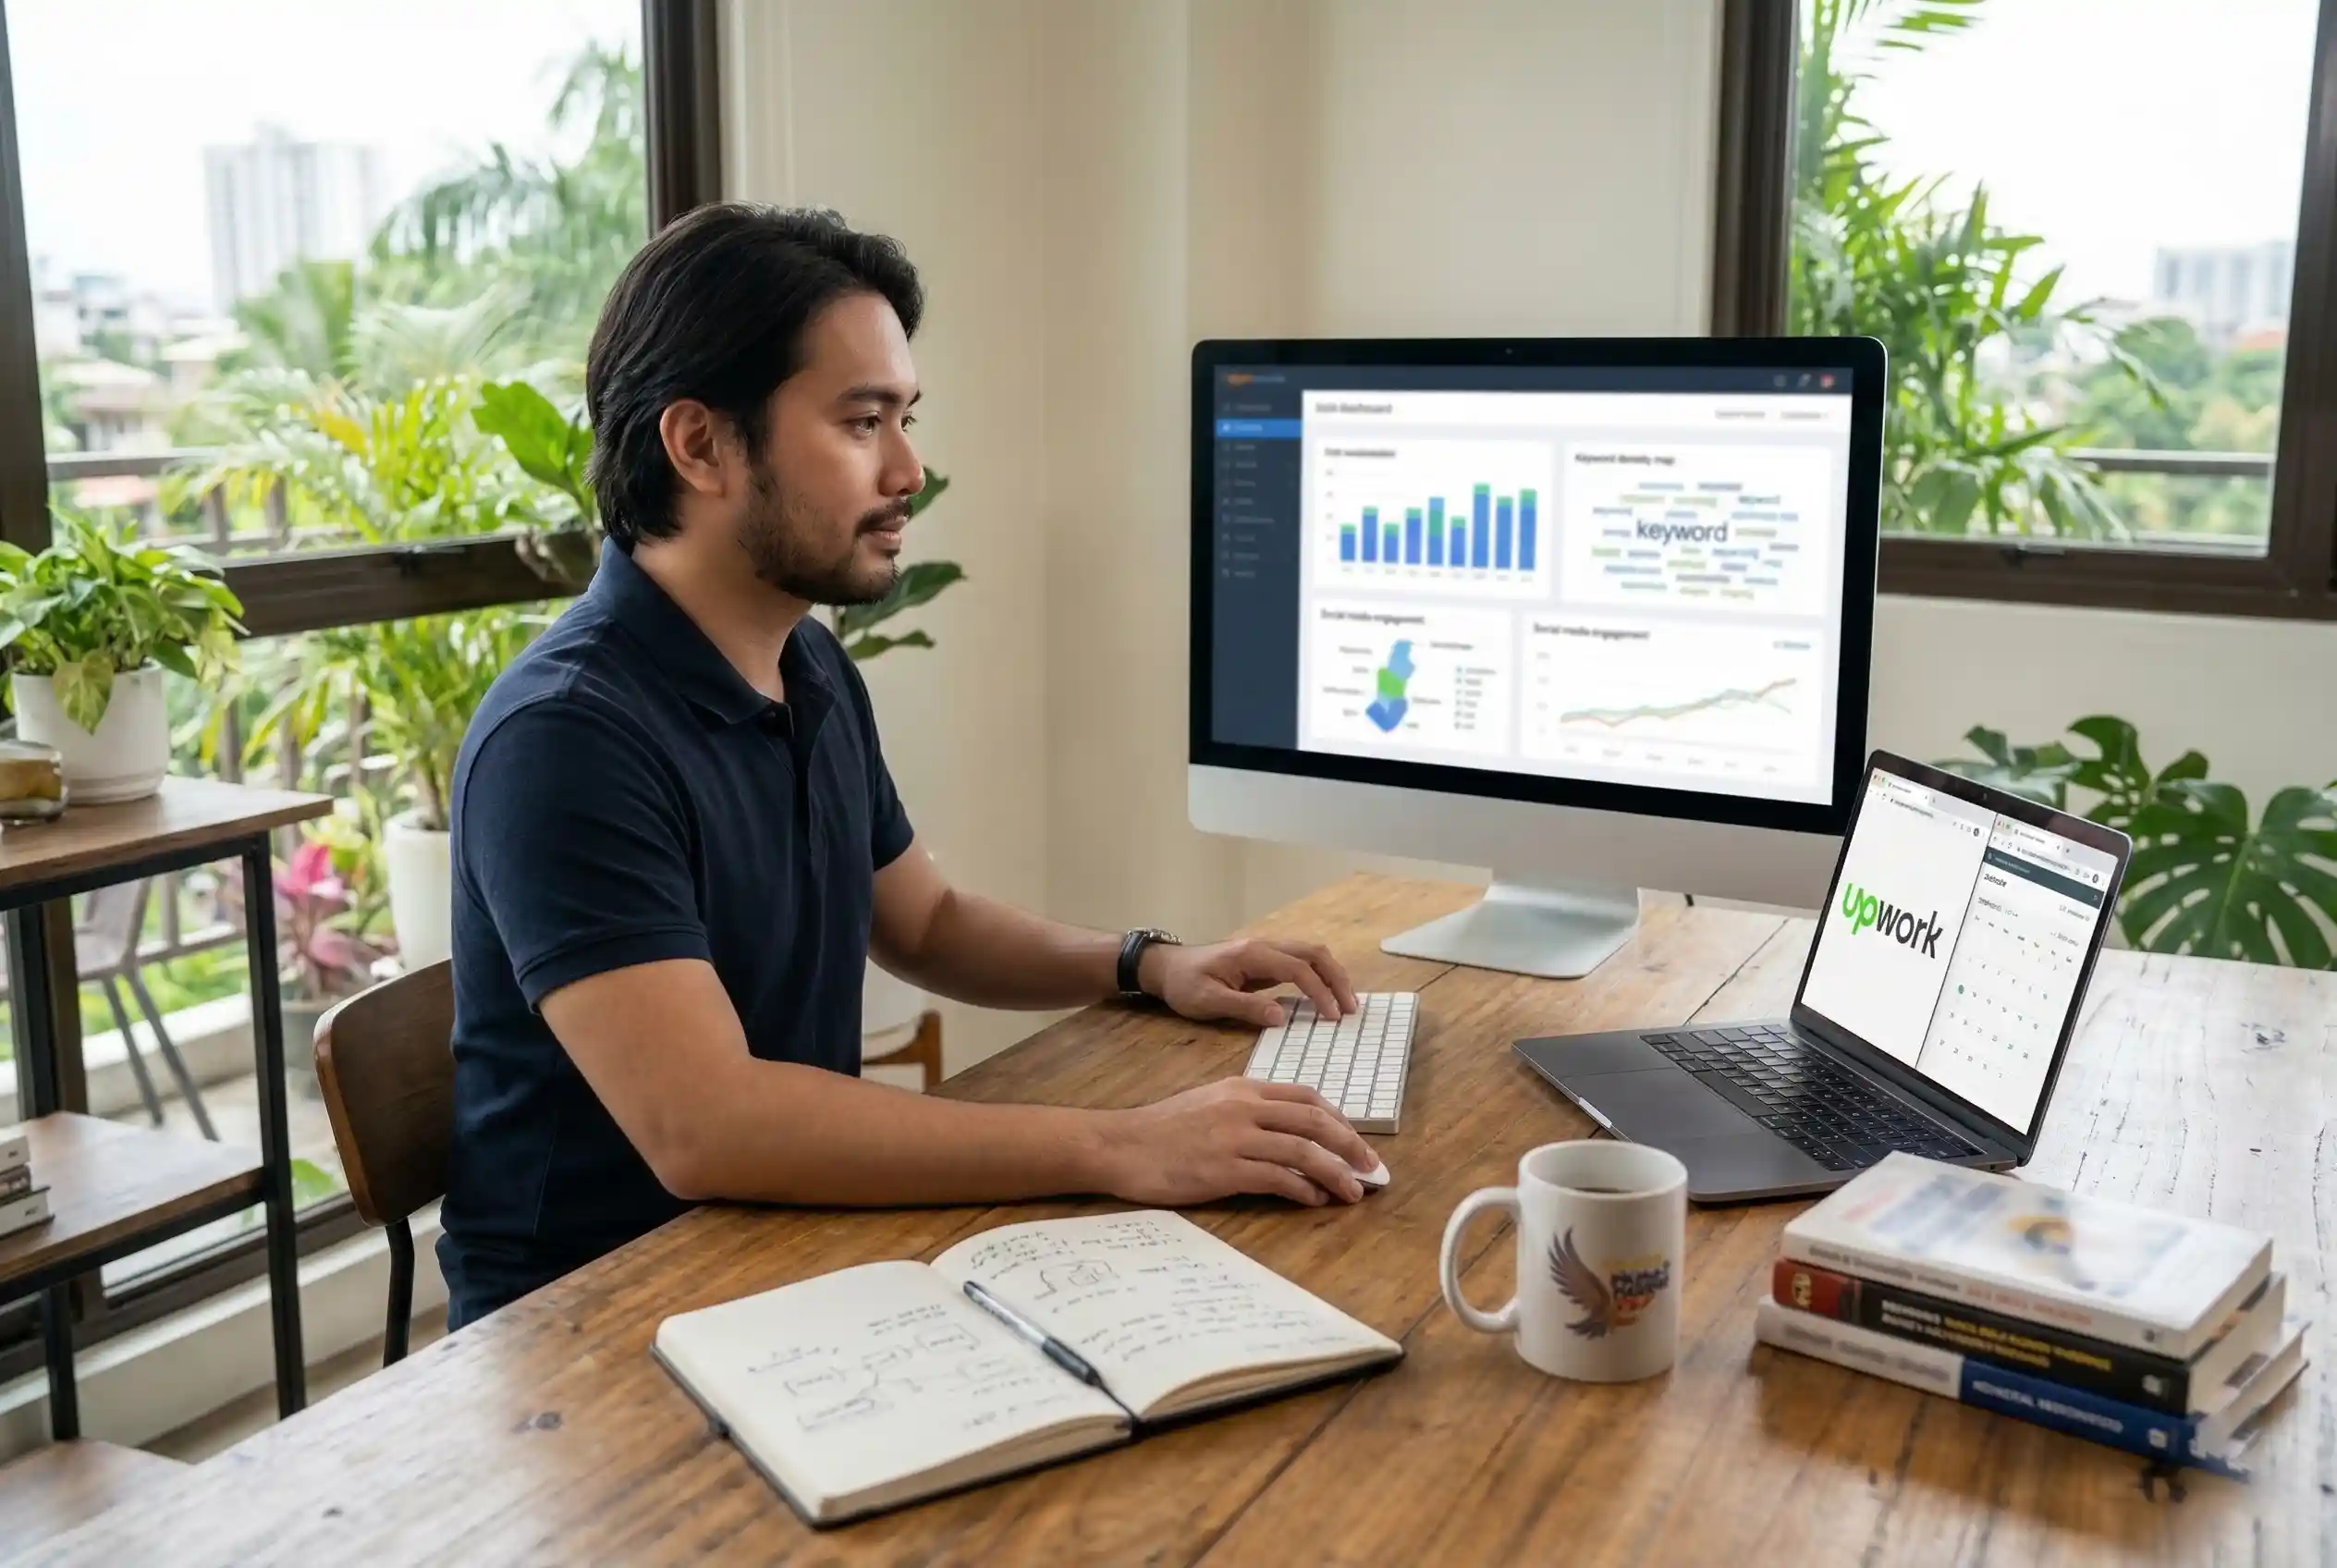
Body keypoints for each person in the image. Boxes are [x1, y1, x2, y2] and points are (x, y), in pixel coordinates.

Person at [438, 202, 1377, 1329]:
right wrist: (1121, 1144)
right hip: (594, 1328)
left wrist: (1147, 963)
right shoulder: (565, 738)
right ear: (697, 445)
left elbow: (923, 921)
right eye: (860, 422)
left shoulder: (809, 667)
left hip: (785, 1255)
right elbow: (708, 1127)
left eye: (905, 417)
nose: (908, 468)